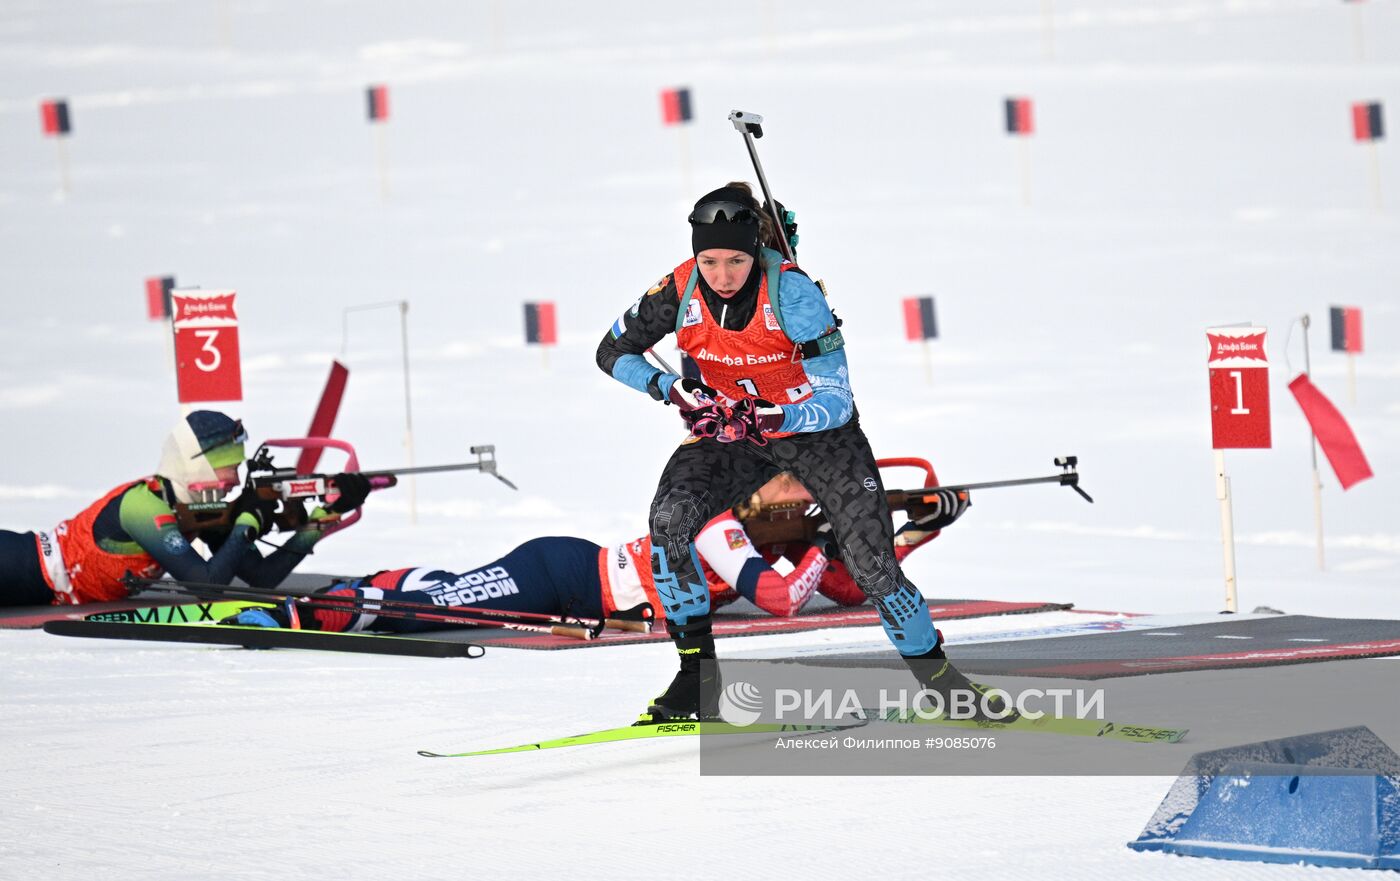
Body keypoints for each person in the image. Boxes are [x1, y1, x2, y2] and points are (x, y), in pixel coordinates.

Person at [595, 182, 1005, 722]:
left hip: (817, 437)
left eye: (736, 260)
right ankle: (697, 680)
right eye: (709, 260)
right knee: (670, 523)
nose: (721, 276)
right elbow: (611, 352)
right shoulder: (678, 288)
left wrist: (774, 415)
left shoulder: (794, 294)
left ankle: (945, 684)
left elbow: (836, 401)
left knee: (872, 566)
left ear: (755, 253)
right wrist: (670, 388)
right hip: (732, 434)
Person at [227, 472, 893, 633]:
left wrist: (905, 532)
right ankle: (302, 613)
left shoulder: (772, 535)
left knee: (452, 591)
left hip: (579, 586)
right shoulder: (720, 527)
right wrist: (820, 548)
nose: (805, 497)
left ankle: (396, 576)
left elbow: (846, 587)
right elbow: (782, 599)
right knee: (428, 613)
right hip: (561, 575)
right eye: (797, 485)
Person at [0, 410, 369, 607]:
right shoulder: (144, 506)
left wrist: (319, 522)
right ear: (199, 465)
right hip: (21, 566)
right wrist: (246, 522)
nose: (234, 478)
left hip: (36, 585)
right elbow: (207, 585)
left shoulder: (202, 509)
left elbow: (262, 578)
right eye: (229, 467)